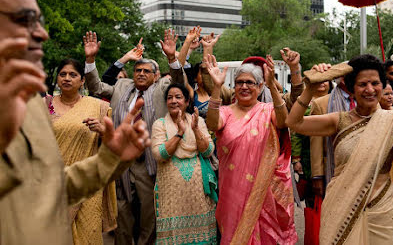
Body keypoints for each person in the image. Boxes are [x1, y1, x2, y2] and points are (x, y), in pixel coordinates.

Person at [0, 0, 151, 244]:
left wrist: (110, 158)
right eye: (24, 21)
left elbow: (52, 188)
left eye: (39, 22)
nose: (41, 35)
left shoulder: (32, 106)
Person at [287, 35, 393, 244]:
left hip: (382, 209)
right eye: (363, 84)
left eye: (375, 83)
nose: (370, 90)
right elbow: (294, 122)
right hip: (341, 206)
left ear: (382, 85)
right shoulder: (339, 120)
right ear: (352, 88)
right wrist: (310, 87)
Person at [83, 29, 186, 245]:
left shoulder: (162, 88)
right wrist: (91, 59)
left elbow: (179, 81)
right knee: (121, 214)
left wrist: (171, 58)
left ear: (155, 75)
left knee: (149, 215)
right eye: (137, 70)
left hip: (147, 163)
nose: (140, 74)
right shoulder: (122, 86)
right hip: (119, 162)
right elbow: (95, 86)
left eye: (146, 71)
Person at [205, 54, 297, 244]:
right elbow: (213, 124)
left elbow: (283, 121)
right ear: (234, 86)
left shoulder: (268, 110)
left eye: (250, 82)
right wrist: (216, 87)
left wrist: (273, 85)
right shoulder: (226, 112)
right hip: (232, 191)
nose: (244, 87)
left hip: (264, 191)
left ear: (260, 86)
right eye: (239, 82)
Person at [44, 58, 117, 244]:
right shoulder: (45, 105)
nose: (67, 78)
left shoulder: (98, 107)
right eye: (62, 74)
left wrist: (102, 131)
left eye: (73, 75)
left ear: (82, 80)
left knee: (88, 232)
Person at [151, 83, 218, 244]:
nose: (173, 101)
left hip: (199, 194)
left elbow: (208, 151)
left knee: (202, 235)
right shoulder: (159, 124)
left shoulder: (198, 121)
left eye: (178, 97)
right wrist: (180, 133)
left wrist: (194, 129)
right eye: (169, 98)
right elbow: (159, 154)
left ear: (187, 102)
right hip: (171, 194)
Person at [309, 76, 356, 196]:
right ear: (344, 80)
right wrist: (317, 175)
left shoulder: (366, 100)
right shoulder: (321, 104)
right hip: (333, 167)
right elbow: (316, 143)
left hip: (360, 167)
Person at [291, 80, 331, 206]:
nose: (322, 83)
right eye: (318, 81)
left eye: (325, 81)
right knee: (313, 195)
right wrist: (296, 160)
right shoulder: (303, 103)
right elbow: (296, 133)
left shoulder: (336, 100)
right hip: (308, 158)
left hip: (330, 156)